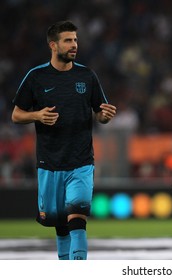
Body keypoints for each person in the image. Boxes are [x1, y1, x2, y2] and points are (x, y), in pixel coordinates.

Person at [11, 20, 116, 260]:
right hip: (49, 163)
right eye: (68, 40)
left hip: (81, 162)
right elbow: (16, 115)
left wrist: (105, 116)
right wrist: (37, 115)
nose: (74, 45)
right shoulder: (36, 77)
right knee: (59, 223)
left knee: (77, 216)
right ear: (53, 45)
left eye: (75, 40)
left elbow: (100, 114)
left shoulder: (87, 76)